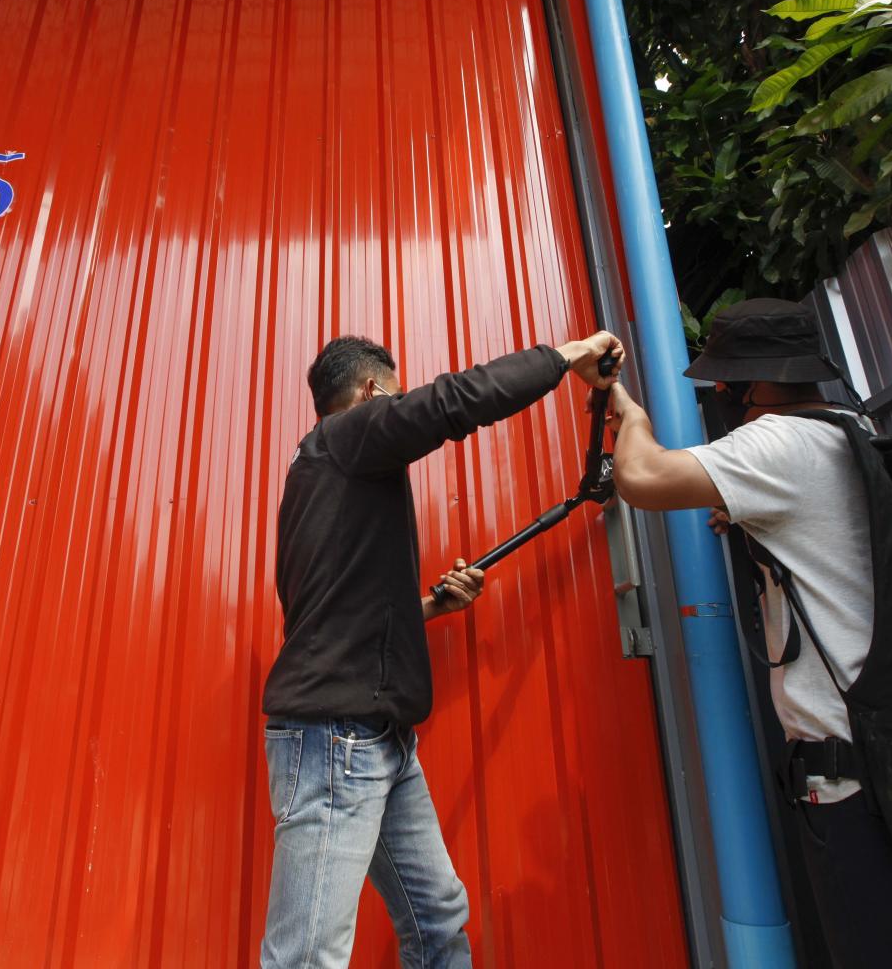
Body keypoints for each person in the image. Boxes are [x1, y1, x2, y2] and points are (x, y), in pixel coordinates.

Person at [606, 297, 892, 969]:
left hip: (879, 798)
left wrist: (633, 421)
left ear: (744, 386)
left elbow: (640, 480)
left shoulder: (778, 443)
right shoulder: (860, 434)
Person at [261, 331, 624, 969]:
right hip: (336, 744)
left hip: (379, 741)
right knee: (307, 957)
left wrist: (427, 607)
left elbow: (329, 621)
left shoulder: (320, 478)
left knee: (436, 919)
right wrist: (569, 357)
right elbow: (455, 401)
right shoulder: (344, 439)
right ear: (372, 396)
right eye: (392, 399)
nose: (397, 411)